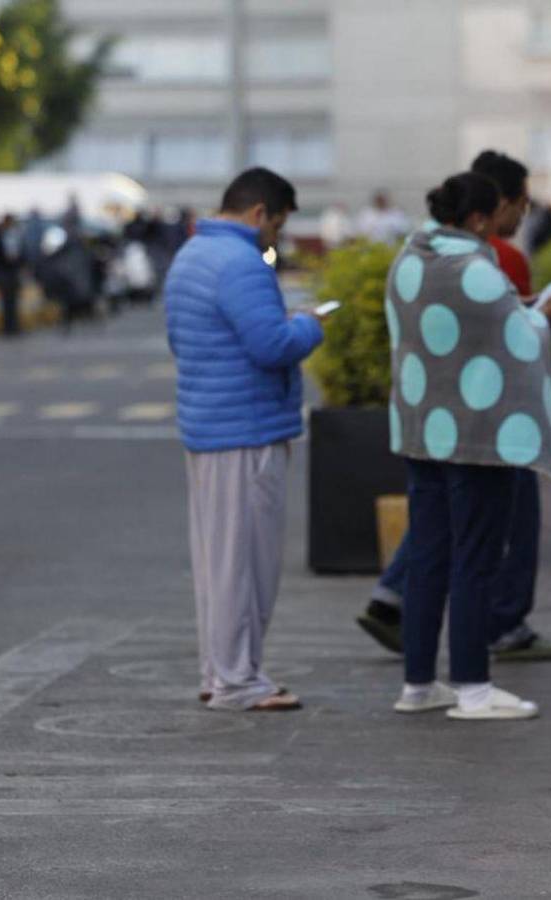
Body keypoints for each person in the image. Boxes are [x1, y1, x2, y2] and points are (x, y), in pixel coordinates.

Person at [357, 150, 551, 663]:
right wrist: (538, 321)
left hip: (424, 424)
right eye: (518, 202)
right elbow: (514, 335)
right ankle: (480, 668)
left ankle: (418, 679)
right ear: (485, 213)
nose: (520, 213)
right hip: (484, 428)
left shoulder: (412, 256)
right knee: (479, 553)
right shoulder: (481, 262)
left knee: (434, 545)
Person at [164, 168, 325, 712]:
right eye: (277, 225)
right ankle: (239, 681)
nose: (276, 237)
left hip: (208, 425)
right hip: (247, 430)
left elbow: (183, 338)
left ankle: (219, 671)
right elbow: (272, 345)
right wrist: (310, 326)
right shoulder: (242, 264)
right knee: (246, 565)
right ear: (259, 214)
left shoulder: (191, 255)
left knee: (217, 564)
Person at [0, 214, 23, 337]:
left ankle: (13, 325)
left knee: (12, 301)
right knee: (7, 301)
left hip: (10, 271)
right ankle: (9, 326)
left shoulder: (11, 234)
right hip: (4, 271)